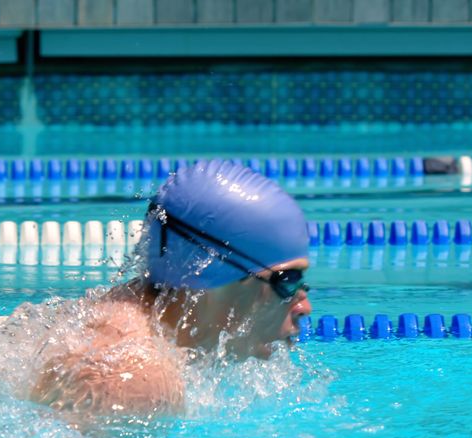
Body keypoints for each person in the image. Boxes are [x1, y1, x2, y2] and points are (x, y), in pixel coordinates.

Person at [28, 159, 312, 415]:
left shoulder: (128, 312)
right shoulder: (136, 381)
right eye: (287, 281)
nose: (304, 306)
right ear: (216, 275)